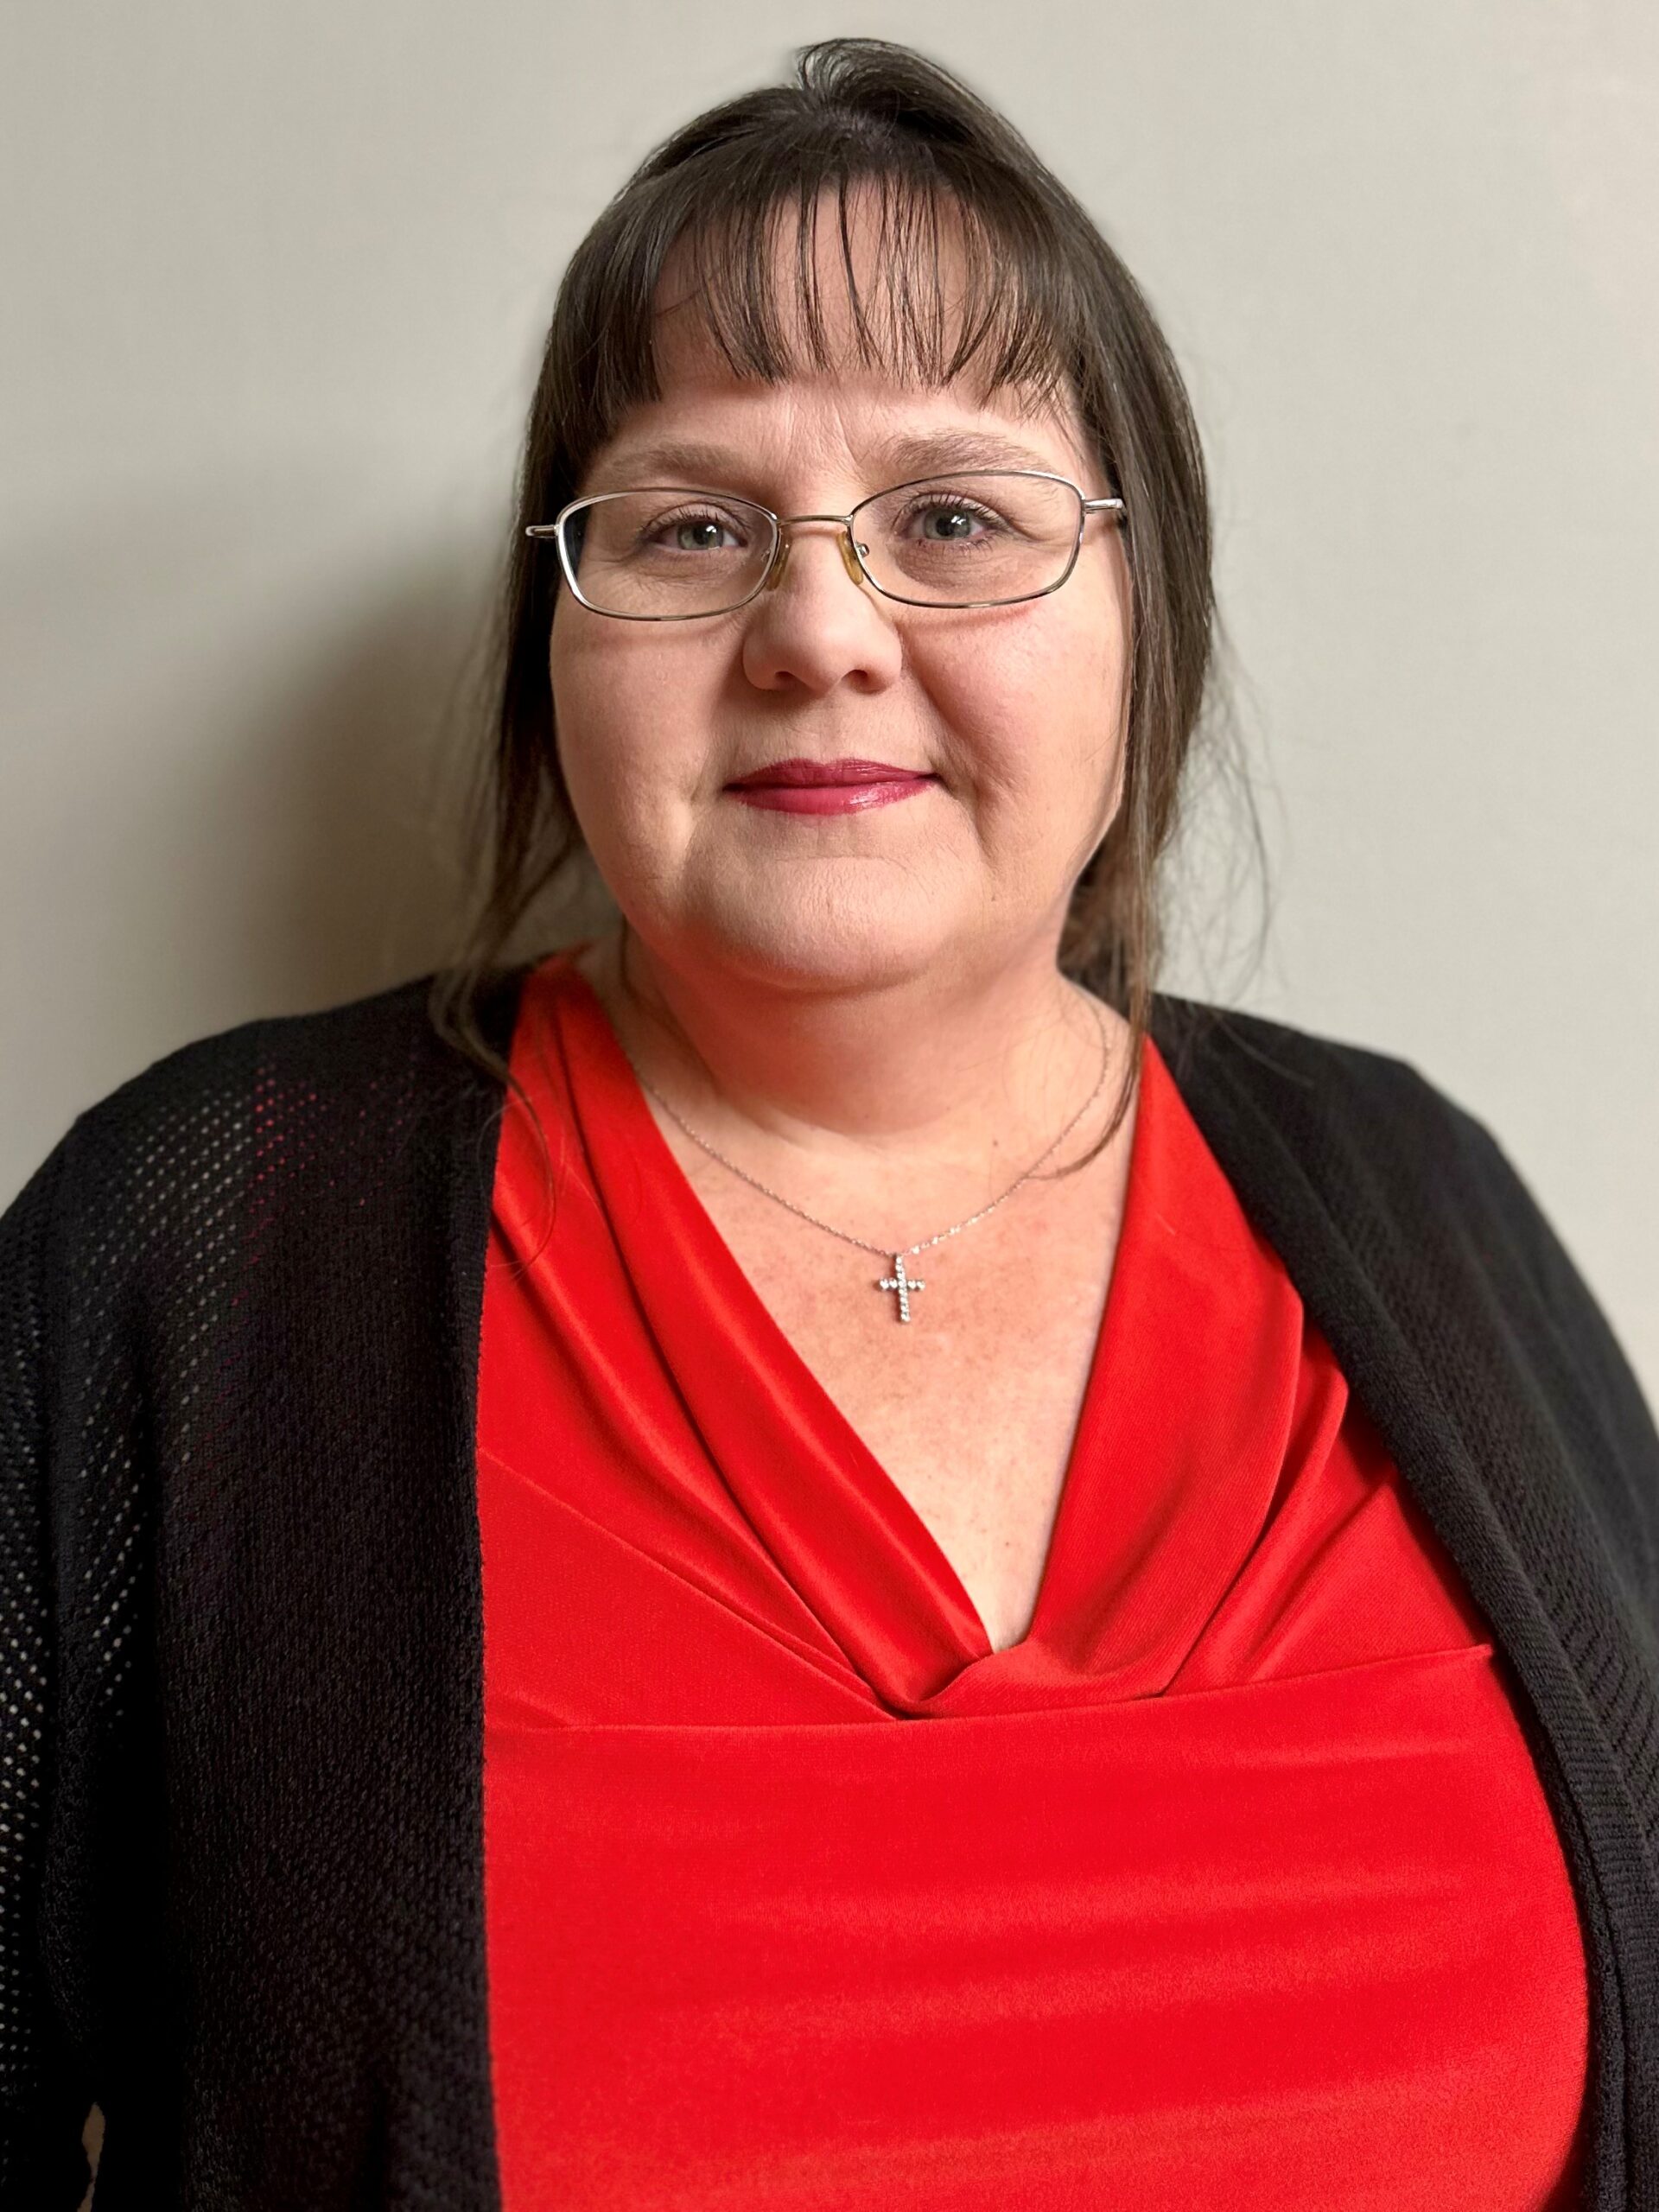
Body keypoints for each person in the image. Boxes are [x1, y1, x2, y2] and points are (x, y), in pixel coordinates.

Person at [3, 35, 1655, 2212]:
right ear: (559, 641)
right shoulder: (197, 1245)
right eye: (694, 525)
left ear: (1144, 613)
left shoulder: (1421, 1196)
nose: (816, 629)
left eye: (955, 517)